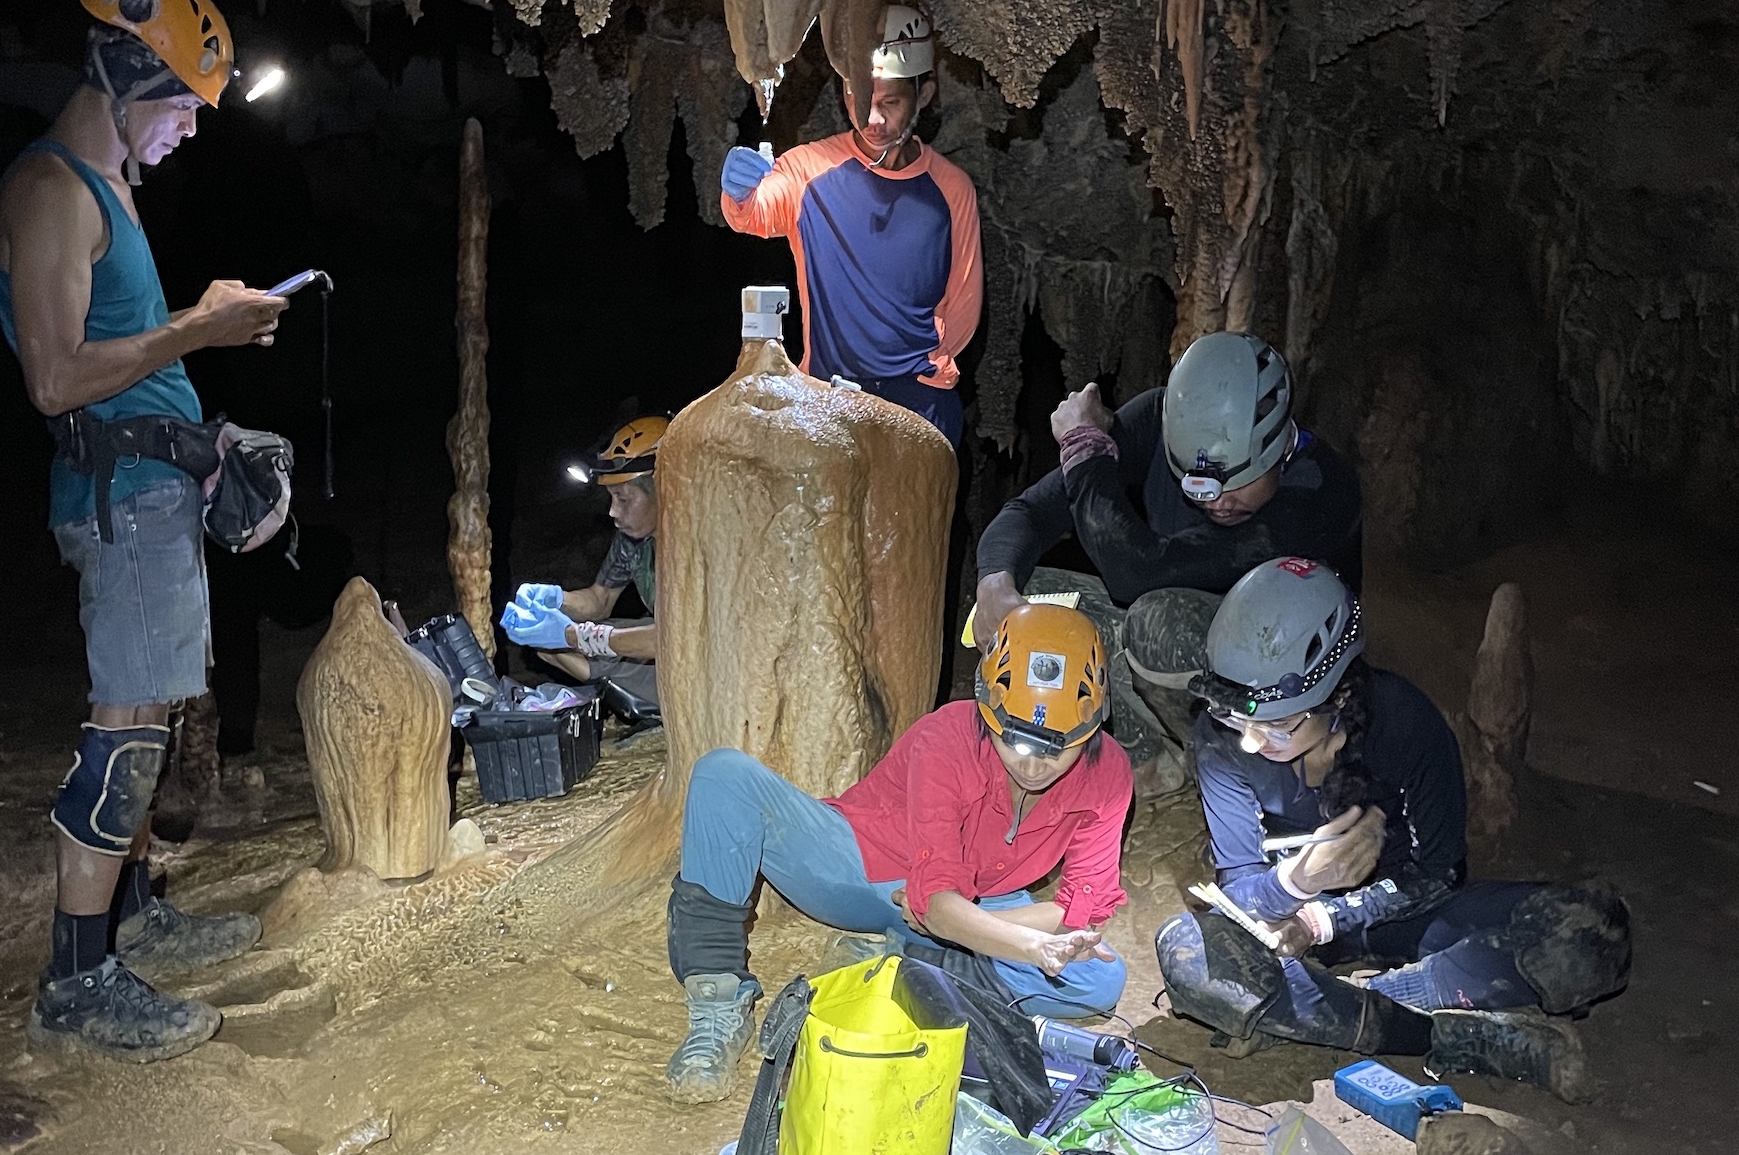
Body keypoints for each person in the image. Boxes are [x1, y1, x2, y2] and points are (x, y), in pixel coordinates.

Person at [0, 0, 286, 1063]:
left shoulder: (106, 195)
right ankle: (77, 976)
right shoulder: (52, 191)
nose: (189, 132)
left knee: (152, 711)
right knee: (124, 729)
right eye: (178, 105)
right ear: (121, 68)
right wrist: (193, 336)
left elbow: (128, 352)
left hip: (153, 485)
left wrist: (200, 326)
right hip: (115, 498)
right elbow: (56, 378)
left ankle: (134, 907)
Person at [1152, 559, 1630, 1093]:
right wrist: (1297, 885)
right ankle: (1435, 1034)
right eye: (1236, 719)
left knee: (1591, 931)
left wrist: (1326, 919)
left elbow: (1440, 872)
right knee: (1186, 951)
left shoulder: (1405, 724)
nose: (1249, 741)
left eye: (1278, 725)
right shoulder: (1220, 740)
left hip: (1407, 913)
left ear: (1337, 698)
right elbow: (1242, 892)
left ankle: (1375, 999)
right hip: (1285, 928)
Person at [660, 604, 1132, 1096]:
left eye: (1057, 747)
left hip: (977, 902)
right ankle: (717, 1007)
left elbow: (1080, 913)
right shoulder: (946, 737)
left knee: (1100, 979)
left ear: (1093, 729)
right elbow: (965, 904)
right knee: (723, 776)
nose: (1034, 766)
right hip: (865, 865)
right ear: (986, 710)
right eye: (1015, 740)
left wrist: (955, 921)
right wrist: (1023, 942)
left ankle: (902, 955)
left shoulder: (1109, 775)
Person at [973, 332, 1362, 787]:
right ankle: (1147, 758)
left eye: (1236, 482)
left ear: (1278, 449)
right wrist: (994, 584)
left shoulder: (1320, 493)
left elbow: (1136, 572)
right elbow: (1029, 513)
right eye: (1193, 483)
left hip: (1286, 680)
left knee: (1158, 620)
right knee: (1032, 600)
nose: (1216, 500)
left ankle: (1243, 782)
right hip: (1174, 635)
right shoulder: (1158, 421)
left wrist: (1084, 449)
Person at [717, 4, 981, 444]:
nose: (872, 118)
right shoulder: (810, 169)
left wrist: (922, 368)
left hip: (920, 400)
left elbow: (964, 306)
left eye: (890, 102)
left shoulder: (951, 189)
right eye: (858, 97)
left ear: (925, 94)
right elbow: (757, 213)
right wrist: (739, 193)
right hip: (827, 397)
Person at [501, 414, 666, 727]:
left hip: (706, 661)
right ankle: (630, 692)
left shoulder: (695, 540)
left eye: (624, 498)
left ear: (664, 489)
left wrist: (578, 636)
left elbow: (673, 637)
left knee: (580, 647)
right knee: (548, 647)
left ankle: (644, 700)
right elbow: (600, 598)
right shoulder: (634, 541)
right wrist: (555, 599)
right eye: (611, 498)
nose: (613, 511)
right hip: (661, 636)